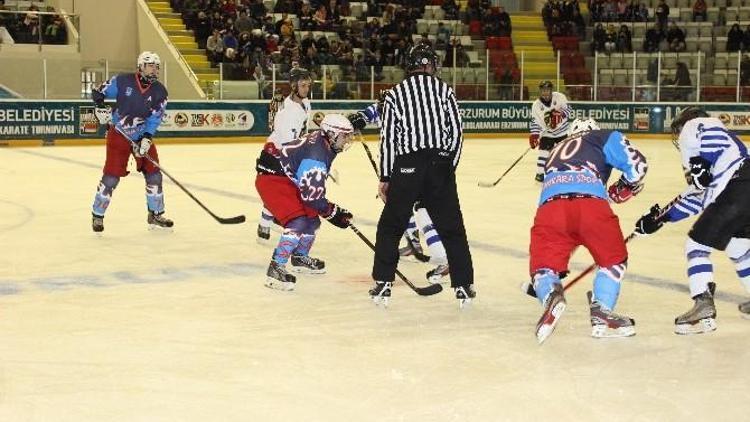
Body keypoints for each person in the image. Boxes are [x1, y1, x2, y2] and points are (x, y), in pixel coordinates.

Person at [369, 44, 474, 307]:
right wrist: (448, 166)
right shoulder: (444, 89)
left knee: (391, 227)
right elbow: (457, 133)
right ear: (428, 64)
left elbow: (389, 139)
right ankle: (463, 286)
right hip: (440, 163)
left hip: (408, 166)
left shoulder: (395, 93)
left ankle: (383, 284)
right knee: (452, 228)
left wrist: (386, 176)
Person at [530, 118, 648, 344]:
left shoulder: (555, 149)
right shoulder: (602, 136)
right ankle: (602, 311)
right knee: (613, 259)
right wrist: (623, 187)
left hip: (550, 208)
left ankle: (550, 293)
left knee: (544, 268)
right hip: (590, 204)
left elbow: (543, 197)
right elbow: (638, 166)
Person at [633, 107, 750, 333]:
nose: (679, 136)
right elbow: (698, 198)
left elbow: (712, 129)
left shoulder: (695, 126)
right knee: (738, 248)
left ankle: (702, 303)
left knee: (696, 245)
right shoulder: (721, 161)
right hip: (741, 190)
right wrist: (660, 218)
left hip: (740, 187)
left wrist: (701, 162)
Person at [348, 91, 451, 284]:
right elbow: (365, 115)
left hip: (413, 167)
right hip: (404, 168)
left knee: (420, 209)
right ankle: (414, 244)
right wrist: (356, 120)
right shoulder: (384, 106)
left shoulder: (408, 113)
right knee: (407, 207)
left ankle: (444, 258)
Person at [254, 114, 355, 290]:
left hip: (286, 176)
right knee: (298, 222)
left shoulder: (324, 141)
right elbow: (313, 197)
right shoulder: (316, 155)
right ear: (331, 134)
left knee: (312, 219)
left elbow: (312, 196)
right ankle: (275, 268)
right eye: (344, 136)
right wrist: (333, 212)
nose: (347, 140)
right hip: (273, 179)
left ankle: (299, 256)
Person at [90, 51, 171, 233]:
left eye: (157, 67)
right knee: (111, 177)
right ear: (141, 66)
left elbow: (155, 118)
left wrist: (147, 137)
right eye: (151, 65)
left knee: (154, 174)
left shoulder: (160, 91)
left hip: (141, 135)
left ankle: (155, 214)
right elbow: (97, 91)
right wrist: (100, 107)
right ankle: (97, 215)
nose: (155, 70)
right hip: (119, 134)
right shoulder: (122, 81)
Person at [256, 67, 313, 242]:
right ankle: (281, 220)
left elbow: (301, 134)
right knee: (286, 191)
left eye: (308, 85)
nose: (306, 89)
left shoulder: (305, 103)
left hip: (287, 153)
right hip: (276, 155)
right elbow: (289, 145)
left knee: (281, 192)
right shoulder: (287, 113)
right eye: (303, 85)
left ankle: (264, 223)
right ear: (294, 86)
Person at [529, 80, 573, 182]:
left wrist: (560, 115)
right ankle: (540, 173)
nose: (545, 93)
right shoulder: (536, 105)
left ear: (551, 90)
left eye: (547, 90)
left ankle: (566, 171)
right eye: (543, 90)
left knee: (565, 152)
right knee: (543, 152)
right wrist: (534, 135)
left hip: (562, 132)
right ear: (540, 91)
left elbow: (569, 109)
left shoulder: (559, 97)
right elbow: (535, 122)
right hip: (547, 133)